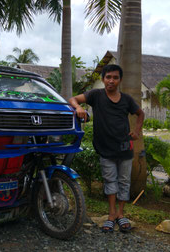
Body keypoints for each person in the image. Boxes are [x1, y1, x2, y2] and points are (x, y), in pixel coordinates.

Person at [69, 64, 144, 233]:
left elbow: (140, 113)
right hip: (105, 148)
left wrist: (137, 131)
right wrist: (79, 107)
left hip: (125, 147)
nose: (111, 81)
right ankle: (111, 215)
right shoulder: (96, 95)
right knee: (110, 180)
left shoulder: (126, 100)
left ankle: (120, 214)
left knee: (124, 181)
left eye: (115, 77)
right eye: (108, 77)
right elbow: (73, 99)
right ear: (103, 79)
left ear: (120, 80)